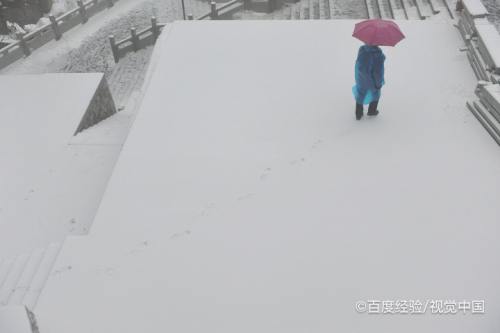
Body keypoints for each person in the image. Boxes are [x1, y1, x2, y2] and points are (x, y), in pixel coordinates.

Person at [352, 44, 385, 120]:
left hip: (360, 79)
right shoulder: (378, 54)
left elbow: (358, 63)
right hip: (372, 81)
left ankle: (358, 113)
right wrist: (378, 84)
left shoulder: (362, 49)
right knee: (376, 94)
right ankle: (372, 110)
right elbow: (378, 73)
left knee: (360, 93)